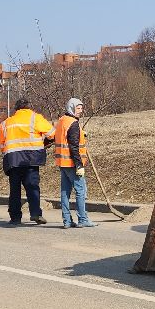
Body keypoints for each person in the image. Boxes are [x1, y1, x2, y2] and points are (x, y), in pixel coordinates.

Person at [0, 98, 55, 225]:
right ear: (29, 107)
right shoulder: (36, 118)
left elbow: (2, 145)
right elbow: (52, 134)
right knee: (32, 187)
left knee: (14, 190)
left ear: (16, 109)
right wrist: (44, 142)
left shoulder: (6, 123)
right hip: (31, 159)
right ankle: (35, 213)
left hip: (13, 160)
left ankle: (15, 217)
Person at [53, 97, 94, 229]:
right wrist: (79, 165)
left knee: (65, 192)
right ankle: (83, 219)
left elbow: (64, 137)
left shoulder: (62, 121)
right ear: (71, 108)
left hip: (62, 162)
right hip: (72, 163)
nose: (80, 110)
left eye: (81, 108)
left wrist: (81, 133)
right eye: (78, 108)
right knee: (80, 190)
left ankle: (67, 221)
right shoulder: (73, 123)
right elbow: (73, 146)